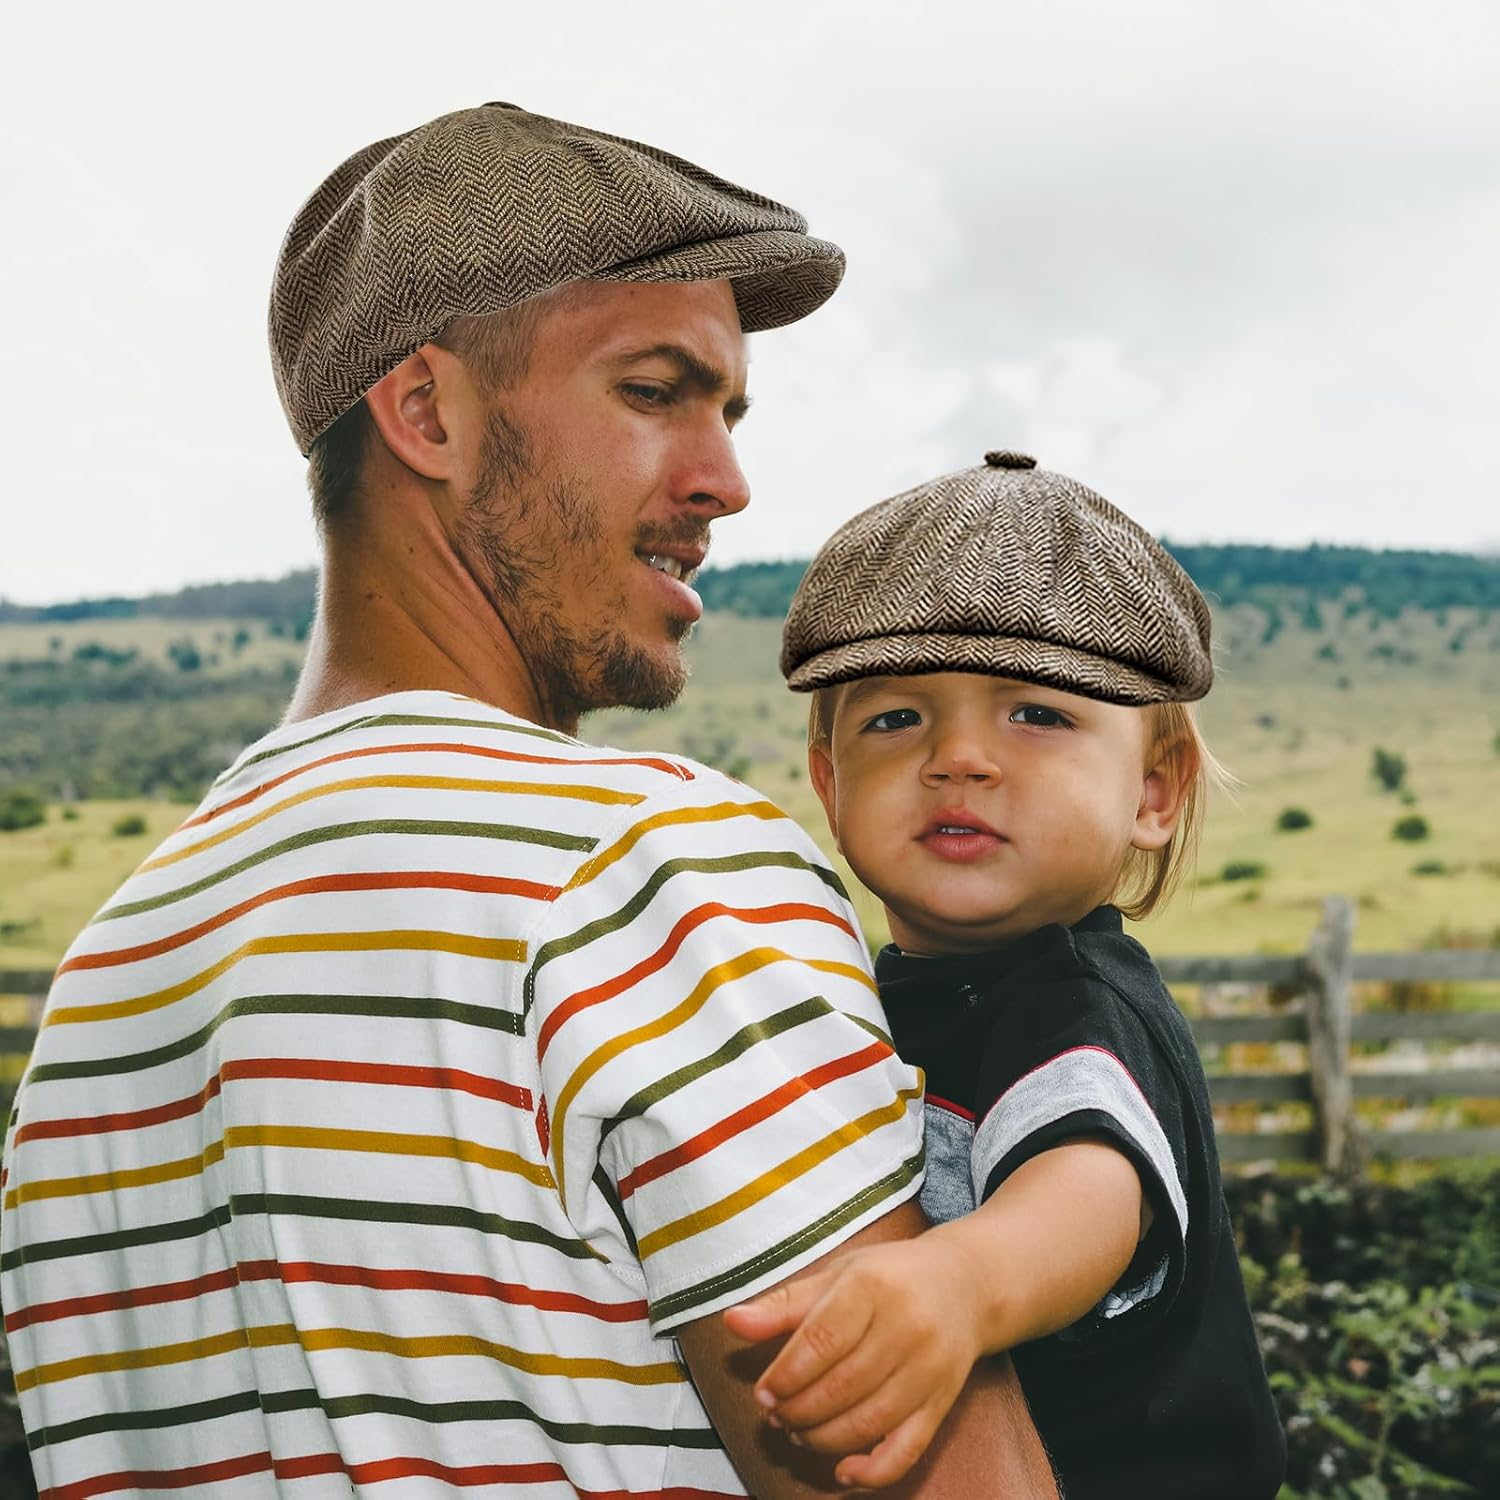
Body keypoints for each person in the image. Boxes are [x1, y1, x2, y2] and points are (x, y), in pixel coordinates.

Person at [0, 107, 1057, 1498]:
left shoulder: (102, 991)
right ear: (426, 414)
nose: (726, 483)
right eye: (654, 391)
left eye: (729, 413)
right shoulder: (650, 870)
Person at [726, 450, 1287, 1496]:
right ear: (829, 785)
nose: (960, 758)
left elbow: (1090, 1188)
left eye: (1038, 714)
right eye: (896, 718)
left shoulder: (1077, 1001)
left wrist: (961, 1282)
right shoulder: (867, 1001)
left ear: (1153, 793)